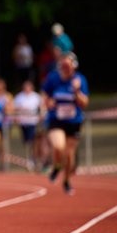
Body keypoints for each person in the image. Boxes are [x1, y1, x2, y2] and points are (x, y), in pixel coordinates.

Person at [42, 52, 89, 195]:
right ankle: (56, 166)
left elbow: (85, 103)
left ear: (74, 66)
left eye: (68, 66)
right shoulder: (53, 78)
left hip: (74, 122)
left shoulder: (80, 80)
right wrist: (48, 103)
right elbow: (45, 95)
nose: (65, 69)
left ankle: (67, 181)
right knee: (58, 146)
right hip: (56, 120)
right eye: (63, 66)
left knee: (69, 156)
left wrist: (76, 91)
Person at [13, 79, 42, 171]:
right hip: (23, 122)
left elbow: (41, 108)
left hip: (33, 122)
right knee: (26, 142)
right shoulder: (19, 97)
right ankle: (28, 158)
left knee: (32, 141)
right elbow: (14, 108)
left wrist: (40, 116)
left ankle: (33, 159)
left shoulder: (36, 97)